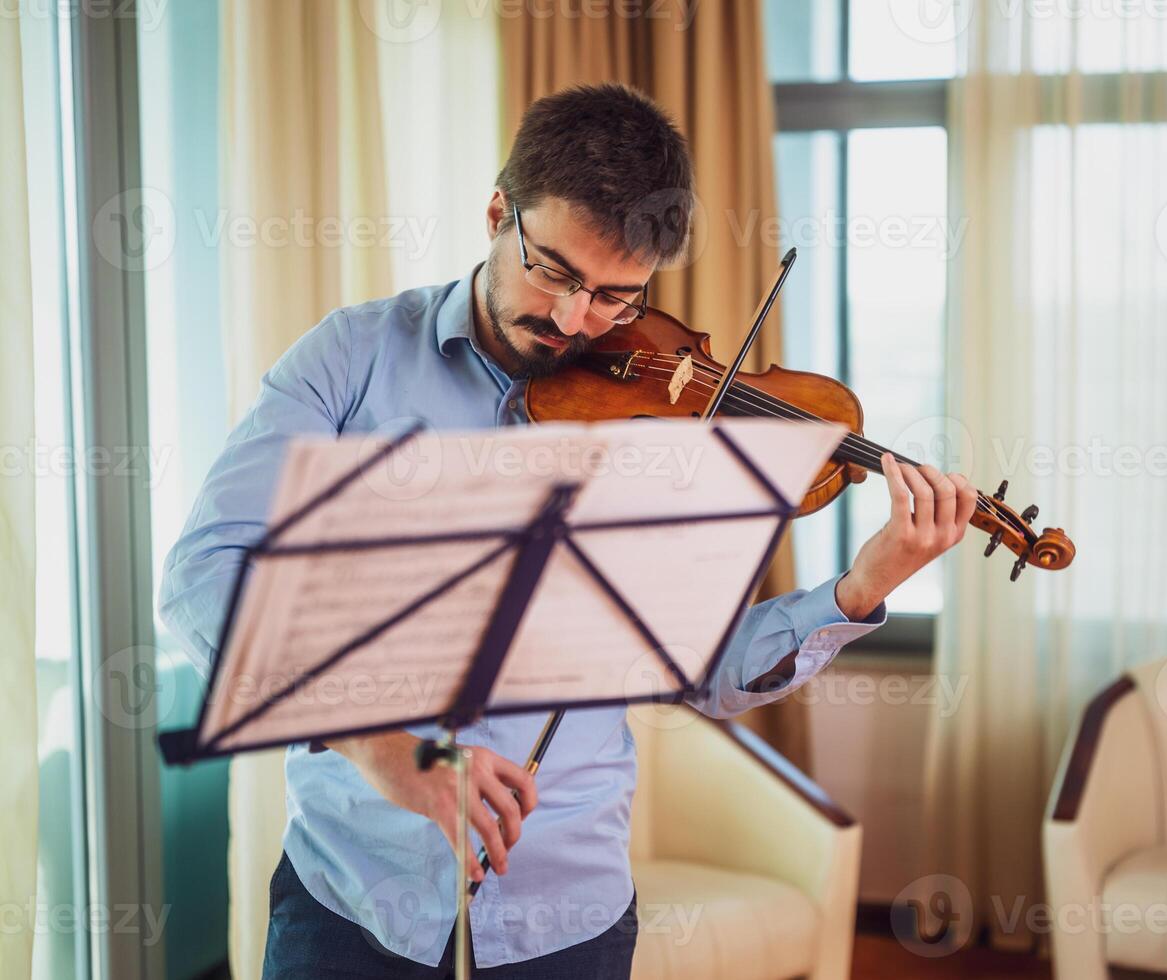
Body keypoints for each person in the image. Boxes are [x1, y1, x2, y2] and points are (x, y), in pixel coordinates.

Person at [158, 82, 978, 979]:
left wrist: (863, 587)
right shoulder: (350, 359)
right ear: (498, 211)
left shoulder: (662, 429)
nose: (572, 320)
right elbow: (201, 576)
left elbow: (694, 668)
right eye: (553, 271)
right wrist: (377, 744)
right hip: (352, 901)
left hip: (566, 918)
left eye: (617, 298)